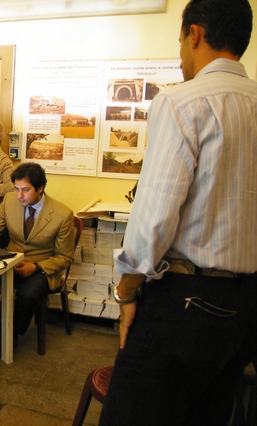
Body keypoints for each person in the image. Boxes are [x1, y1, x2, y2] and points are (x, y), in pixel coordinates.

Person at [100, 1, 257, 424]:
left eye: (180, 43)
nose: (181, 57)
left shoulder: (182, 102)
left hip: (187, 300)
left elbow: (153, 217)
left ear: (195, 34)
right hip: (245, 305)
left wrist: (127, 291)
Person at [0, 163, 75, 358]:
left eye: (25, 190)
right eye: (17, 189)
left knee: (28, 295)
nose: (20, 195)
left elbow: (65, 257)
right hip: (10, 261)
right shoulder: (10, 201)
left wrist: (35, 266)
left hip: (41, 266)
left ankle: (12, 333)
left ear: (40, 188)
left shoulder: (62, 214)